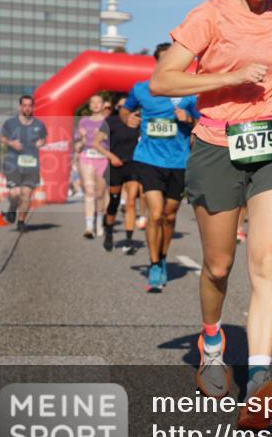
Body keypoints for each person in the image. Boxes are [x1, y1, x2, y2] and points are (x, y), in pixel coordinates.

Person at [151, 0, 272, 430]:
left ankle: (261, 378)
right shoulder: (210, 16)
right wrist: (228, 77)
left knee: (267, 262)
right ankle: (211, 340)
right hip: (216, 147)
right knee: (219, 268)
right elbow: (163, 80)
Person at [122, 43, 200, 291]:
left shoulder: (189, 92)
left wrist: (189, 119)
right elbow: (125, 111)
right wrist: (129, 118)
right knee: (155, 214)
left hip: (178, 161)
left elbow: (202, 121)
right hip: (149, 158)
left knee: (169, 216)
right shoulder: (143, 89)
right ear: (157, 62)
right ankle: (154, 263)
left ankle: (164, 257)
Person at [101, 95, 142, 252]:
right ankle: (109, 232)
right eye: (120, 107)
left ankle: (129, 239)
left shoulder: (138, 123)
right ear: (116, 108)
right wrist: (111, 156)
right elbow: (97, 143)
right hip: (115, 165)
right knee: (114, 201)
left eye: (128, 107)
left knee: (131, 202)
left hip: (133, 165)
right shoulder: (110, 122)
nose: (125, 110)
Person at [0, 95, 47, 232]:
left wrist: (41, 142)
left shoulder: (39, 124)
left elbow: (44, 139)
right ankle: (13, 207)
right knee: (15, 193)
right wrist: (11, 143)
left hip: (31, 164)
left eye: (30, 105)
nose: (27, 108)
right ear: (20, 107)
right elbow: (3, 137)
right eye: (24, 105)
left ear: (33, 107)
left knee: (26, 195)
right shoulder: (10, 123)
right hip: (13, 163)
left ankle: (21, 221)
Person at [76, 94, 111, 238]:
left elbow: (114, 142)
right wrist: (83, 139)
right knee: (90, 192)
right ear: (89, 106)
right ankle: (89, 227)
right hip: (87, 156)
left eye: (99, 102)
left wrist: (103, 135)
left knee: (100, 194)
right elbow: (78, 145)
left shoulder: (108, 122)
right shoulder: (83, 121)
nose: (96, 105)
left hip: (103, 158)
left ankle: (99, 222)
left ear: (103, 105)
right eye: (93, 102)